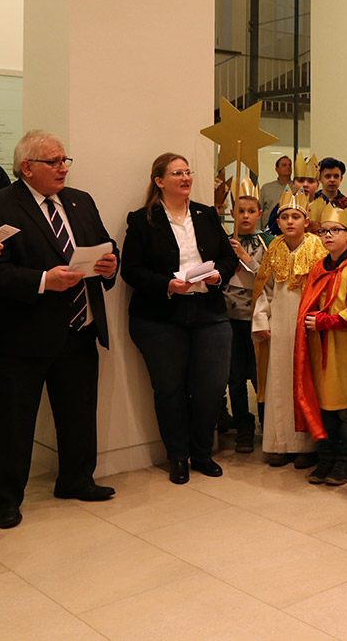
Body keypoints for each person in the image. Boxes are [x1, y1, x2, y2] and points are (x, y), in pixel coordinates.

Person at [0, 129, 119, 530]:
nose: (62, 168)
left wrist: (110, 265)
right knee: (13, 423)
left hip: (79, 328)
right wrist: (41, 280)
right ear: (26, 167)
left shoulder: (80, 201)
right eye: (53, 162)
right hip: (20, 335)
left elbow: (104, 245)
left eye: (65, 160)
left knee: (79, 412)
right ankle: (6, 499)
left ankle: (77, 479)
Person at [122, 153, 237, 485]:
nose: (186, 178)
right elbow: (131, 270)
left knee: (210, 388)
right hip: (161, 316)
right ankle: (178, 457)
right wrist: (167, 285)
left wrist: (219, 275)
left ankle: (203, 453)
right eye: (177, 173)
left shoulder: (205, 214)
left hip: (209, 311)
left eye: (188, 172)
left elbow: (227, 257)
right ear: (159, 181)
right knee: (170, 389)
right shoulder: (143, 219)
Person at [296, 203, 347, 486]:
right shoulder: (319, 268)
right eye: (324, 231)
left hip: (345, 351)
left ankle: (345, 460)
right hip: (320, 350)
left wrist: (328, 321)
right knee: (324, 407)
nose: (328, 236)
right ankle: (325, 457)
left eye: (335, 230)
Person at [252, 187, 326, 467]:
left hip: (307, 324)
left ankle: (307, 447)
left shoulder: (317, 247)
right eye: (285, 217)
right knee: (280, 381)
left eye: (296, 216)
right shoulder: (274, 248)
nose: (290, 222)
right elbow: (264, 289)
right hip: (279, 325)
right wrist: (260, 320)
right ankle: (280, 443)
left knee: (306, 380)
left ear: (306, 221)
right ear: (278, 222)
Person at [223, 185, 275, 453]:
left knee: (259, 374)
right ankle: (243, 426)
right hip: (228, 316)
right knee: (234, 376)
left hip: (255, 317)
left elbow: (270, 280)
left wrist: (245, 258)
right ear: (232, 213)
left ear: (259, 214)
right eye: (240, 211)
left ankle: (267, 426)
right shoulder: (224, 240)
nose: (245, 216)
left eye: (251, 211)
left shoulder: (268, 243)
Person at [314, 156, 347, 233]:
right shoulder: (313, 202)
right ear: (320, 178)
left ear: (341, 178)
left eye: (336, 176)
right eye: (328, 176)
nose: (332, 180)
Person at [259, 155, 292, 230]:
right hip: (267, 231)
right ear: (277, 169)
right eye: (284, 165)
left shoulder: (296, 188)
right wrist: (258, 232)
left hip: (289, 229)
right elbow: (258, 211)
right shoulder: (266, 188)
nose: (288, 167)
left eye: (289, 165)